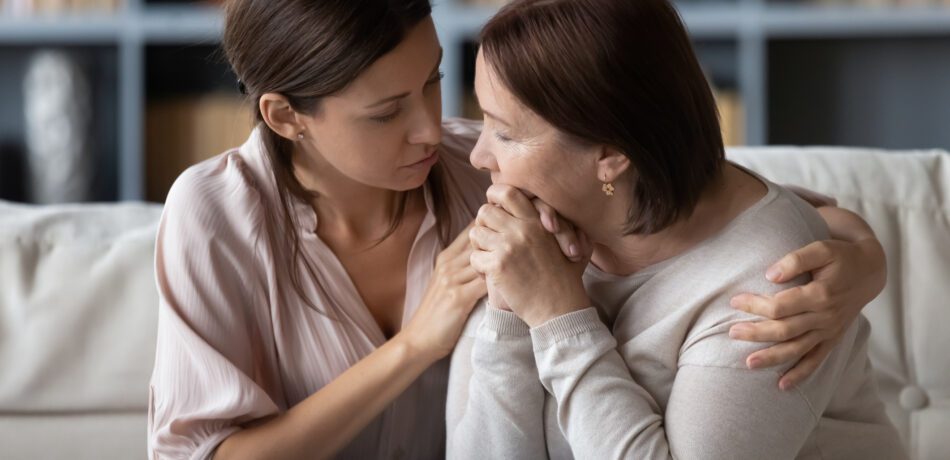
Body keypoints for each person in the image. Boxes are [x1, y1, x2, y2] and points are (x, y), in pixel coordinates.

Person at [148, 1, 888, 459]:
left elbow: (705, 198)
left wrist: (862, 259)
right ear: (284, 117)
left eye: (434, 82)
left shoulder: (499, 173)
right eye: (385, 112)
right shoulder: (217, 217)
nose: (434, 131)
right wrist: (416, 346)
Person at [447, 0, 904, 458]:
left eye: (505, 133)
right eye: (484, 120)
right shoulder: (533, 231)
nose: (479, 155)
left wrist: (559, 319)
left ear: (611, 156)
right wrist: (508, 314)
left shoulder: (771, 290)